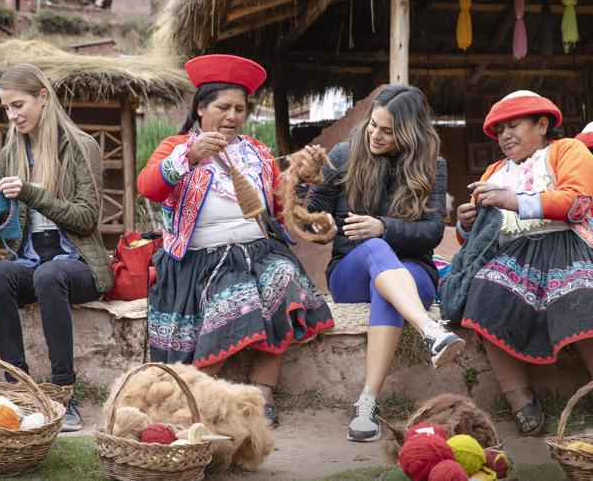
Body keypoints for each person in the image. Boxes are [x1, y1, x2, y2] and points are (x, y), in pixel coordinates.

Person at [138, 54, 334, 427]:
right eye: (222, 107)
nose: (231, 116)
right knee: (238, 297)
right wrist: (191, 156)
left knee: (284, 279)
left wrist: (301, 179)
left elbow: (277, 208)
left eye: (239, 109)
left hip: (258, 252)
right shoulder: (176, 146)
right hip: (200, 260)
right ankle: (196, 392)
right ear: (200, 108)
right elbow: (148, 187)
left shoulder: (257, 152)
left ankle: (262, 392)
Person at [297, 85, 465, 442]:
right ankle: (430, 330)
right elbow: (314, 224)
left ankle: (367, 403)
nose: (375, 134)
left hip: (413, 273)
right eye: (373, 125)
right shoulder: (344, 155)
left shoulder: (431, 165)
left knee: (384, 281)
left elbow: (433, 232)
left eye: (387, 131)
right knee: (374, 248)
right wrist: (304, 182)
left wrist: (383, 226)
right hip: (350, 273)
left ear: (409, 133)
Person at [0, 64, 112, 431]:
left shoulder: (82, 146)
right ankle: (19, 389)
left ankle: (62, 394)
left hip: (78, 262)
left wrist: (31, 193)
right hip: (32, 260)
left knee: (51, 276)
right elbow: (9, 237)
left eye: (18, 105)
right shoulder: (11, 151)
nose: (13, 115)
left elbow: (87, 219)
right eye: (6, 108)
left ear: (43, 97)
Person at [453, 90, 593, 436]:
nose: (505, 137)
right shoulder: (495, 171)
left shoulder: (567, 151)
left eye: (514, 126)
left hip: (566, 246)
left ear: (542, 125)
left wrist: (513, 200)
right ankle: (519, 397)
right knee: (483, 292)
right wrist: (466, 224)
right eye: (500, 131)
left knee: (583, 296)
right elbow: (480, 237)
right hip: (514, 256)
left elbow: (578, 202)